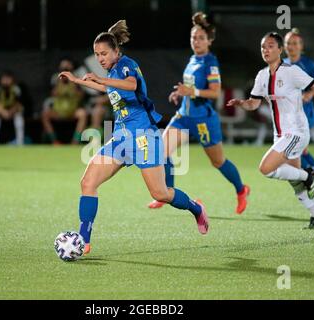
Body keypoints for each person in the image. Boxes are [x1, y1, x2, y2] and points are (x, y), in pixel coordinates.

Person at [59, 20, 209, 255]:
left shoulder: (127, 65)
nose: (100, 58)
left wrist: (102, 79)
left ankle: (196, 208)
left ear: (116, 51)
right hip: (120, 135)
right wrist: (79, 81)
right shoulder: (111, 72)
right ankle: (84, 239)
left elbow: (130, 85)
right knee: (88, 182)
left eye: (104, 53)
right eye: (97, 54)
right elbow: (111, 90)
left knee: (160, 193)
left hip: (143, 136)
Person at [227, 32, 314, 229]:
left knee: (266, 169)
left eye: (270, 46)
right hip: (281, 135)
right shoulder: (262, 75)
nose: (266, 50)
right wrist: (242, 103)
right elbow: (254, 103)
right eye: (263, 47)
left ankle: (308, 174)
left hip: (297, 132)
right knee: (293, 180)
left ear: (280, 50)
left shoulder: (291, 71)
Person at [147, 12, 250, 214]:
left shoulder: (210, 62)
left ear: (210, 40)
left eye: (201, 38)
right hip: (184, 117)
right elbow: (190, 87)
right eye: (194, 37)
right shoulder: (193, 59)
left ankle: (241, 189)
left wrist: (191, 92)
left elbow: (215, 92)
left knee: (218, 161)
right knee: (161, 152)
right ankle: (167, 193)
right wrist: (180, 94)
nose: (196, 41)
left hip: (203, 119)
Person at [283, 28, 314, 197]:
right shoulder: (282, 64)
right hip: (288, 115)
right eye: (288, 43)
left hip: (305, 114)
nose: (291, 46)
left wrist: (310, 94)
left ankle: (312, 174)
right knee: (301, 151)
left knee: (292, 151)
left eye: (295, 43)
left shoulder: (308, 64)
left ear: (301, 46)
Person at [41, 59, 87, 145]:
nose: (65, 68)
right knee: (45, 114)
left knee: (83, 114)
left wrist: (73, 83)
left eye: (67, 67)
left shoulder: (76, 78)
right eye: (63, 67)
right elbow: (53, 93)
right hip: (58, 111)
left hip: (72, 111)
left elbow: (81, 95)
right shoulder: (56, 78)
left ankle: (75, 142)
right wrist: (61, 82)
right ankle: (54, 141)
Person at [0, 71, 25, 145]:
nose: (6, 81)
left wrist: (10, 112)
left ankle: (20, 141)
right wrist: (4, 112)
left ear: (12, 80)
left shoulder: (16, 89)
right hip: (2, 111)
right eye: (4, 79)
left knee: (19, 116)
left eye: (8, 79)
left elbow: (19, 104)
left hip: (13, 111)